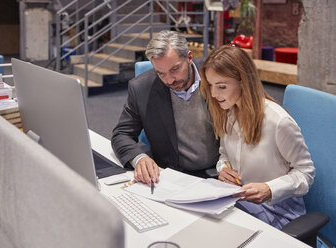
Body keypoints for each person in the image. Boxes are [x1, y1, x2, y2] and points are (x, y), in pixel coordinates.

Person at [199, 45, 315, 229]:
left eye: (221, 86)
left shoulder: (279, 122)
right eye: (211, 86)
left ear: (243, 82)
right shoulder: (228, 112)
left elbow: (306, 173)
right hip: (239, 201)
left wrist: (270, 190)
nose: (213, 94)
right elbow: (224, 155)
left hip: (278, 211)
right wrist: (223, 169)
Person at [111, 30, 220, 186]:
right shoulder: (141, 88)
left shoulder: (215, 77)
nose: (169, 80)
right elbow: (121, 134)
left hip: (218, 173)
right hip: (172, 177)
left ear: (189, 57)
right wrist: (140, 159)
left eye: (174, 69)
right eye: (160, 73)